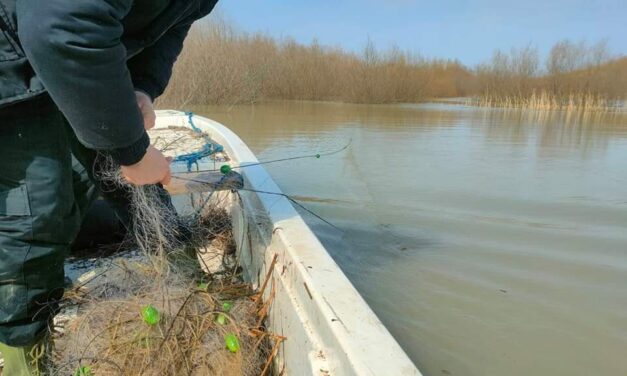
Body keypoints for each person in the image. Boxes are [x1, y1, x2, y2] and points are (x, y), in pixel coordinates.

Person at [0, 0, 218, 374]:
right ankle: (23, 358)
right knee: (40, 212)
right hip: (13, 65)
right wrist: (132, 152)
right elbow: (60, 25)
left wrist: (141, 88)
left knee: (130, 184)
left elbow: (171, 29)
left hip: (77, 56)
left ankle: (188, 282)